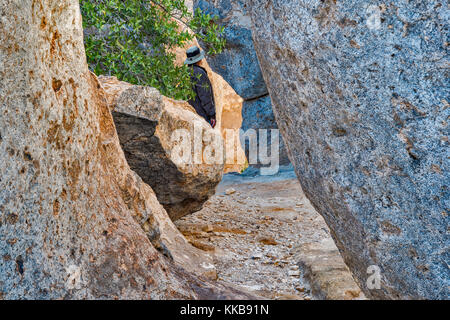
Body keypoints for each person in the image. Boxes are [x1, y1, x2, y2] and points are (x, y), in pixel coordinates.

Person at [184, 46, 216, 128]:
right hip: (202, 116)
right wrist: (212, 114)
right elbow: (205, 96)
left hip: (189, 115)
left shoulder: (184, 74)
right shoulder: (199, 73)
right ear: (198, 60)